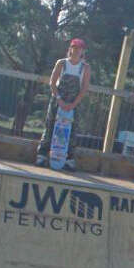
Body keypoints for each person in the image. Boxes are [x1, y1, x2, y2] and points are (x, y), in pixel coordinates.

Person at [35, 37, 90, 169]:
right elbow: (52, 83)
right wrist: (59, 99)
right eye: (74, 47)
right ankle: (42, 155)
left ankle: (69, 159)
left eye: (79, 48)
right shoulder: (61, 63)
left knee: (72, 130)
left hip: (74, 103)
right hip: (57, 101)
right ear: (70, 49)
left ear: (83, 51)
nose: (76, 51)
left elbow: (84, 89)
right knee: (50, 126)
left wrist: (73, 104)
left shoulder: (85, 68)